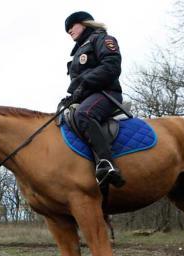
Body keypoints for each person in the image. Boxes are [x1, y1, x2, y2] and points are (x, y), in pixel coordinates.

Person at [61, 11, 126, 187]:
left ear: (84, 23)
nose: (69, 31)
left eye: (71, 27)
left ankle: (107, 163)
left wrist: (83, 82)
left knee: (84, 114)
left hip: (107, 93)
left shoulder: (102, 39)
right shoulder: (77, 52)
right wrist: (71, 96)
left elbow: (111, 66)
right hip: (88, 95)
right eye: (67, 30)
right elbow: (78, 84)